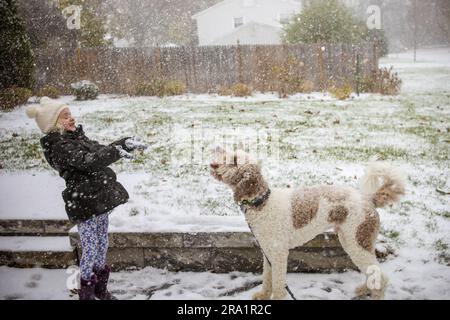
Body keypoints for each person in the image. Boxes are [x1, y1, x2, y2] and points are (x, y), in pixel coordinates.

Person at [26, 97, 145, 300]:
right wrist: (114, 152)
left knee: (101, 243)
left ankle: (100, 289)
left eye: (70, 114)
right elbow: (88, 162)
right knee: (90, 248)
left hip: (98, 199)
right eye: (65, 116)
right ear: (54, 123)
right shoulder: (60, 146)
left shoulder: (76, 137)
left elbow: (99, 150)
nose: (72, 118)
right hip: (83, 202)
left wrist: (124, 143)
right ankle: (86, 293)